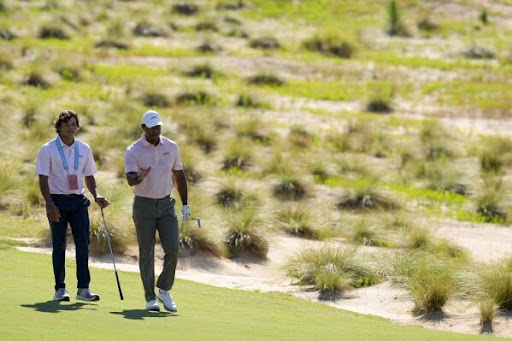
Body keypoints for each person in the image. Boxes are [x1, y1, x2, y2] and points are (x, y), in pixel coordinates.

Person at [36, 110, 109, 302]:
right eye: (66, 124)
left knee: (83, 243)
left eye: (74, 124)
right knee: (59, 245)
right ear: (58, 126)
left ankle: (83, 289)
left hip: (78, 201)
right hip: (57, 201)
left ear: (78, 127)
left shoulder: (84, 148)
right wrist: (49, 203)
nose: (71, 127)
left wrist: (96, 195)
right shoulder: (48, 149)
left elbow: (89, 175)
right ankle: (60, 289)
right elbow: (43, 178)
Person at [124, 109, 189, 312]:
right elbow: (130, 180)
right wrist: (140, 177)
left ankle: (163, 289)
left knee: (172, 248)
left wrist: (185, 204)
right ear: (143, 128)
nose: (155, 130)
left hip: (166, 204)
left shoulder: (171, 146)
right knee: (147, 252)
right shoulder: (133, 150)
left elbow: (179, 175)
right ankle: (150, 297)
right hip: (143, 206)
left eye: (158, 126)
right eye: (151, 127)